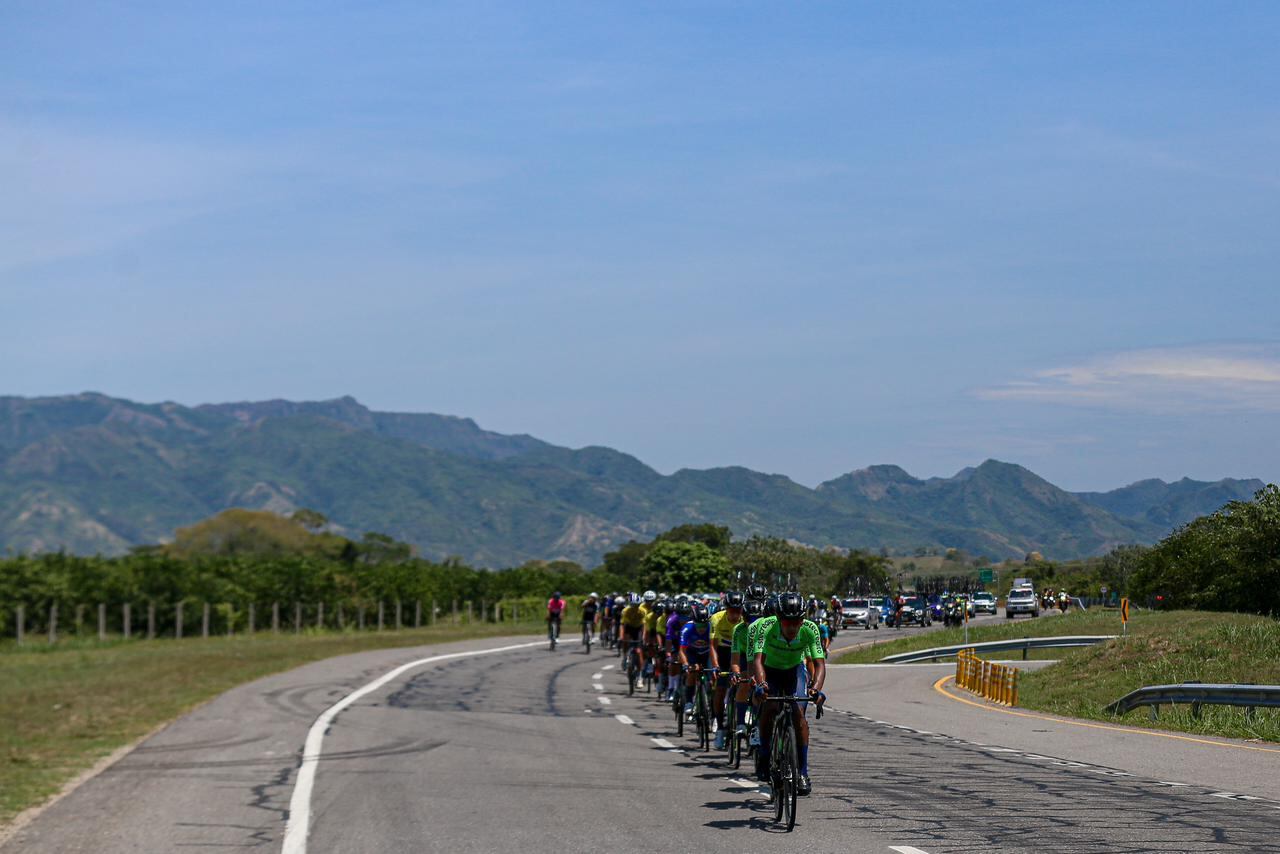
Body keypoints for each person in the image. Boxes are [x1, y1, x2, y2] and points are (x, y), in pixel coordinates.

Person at [753, 592, 826, 796]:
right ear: (779, 619)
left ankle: (802, 772)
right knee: (769, 707)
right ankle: (765, 753)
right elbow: (758, 660)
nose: (792, 627)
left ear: (803, 620)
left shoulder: (811, 630)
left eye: (797, 622)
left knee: (799, 716)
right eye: (787, 622)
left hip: (794, 672)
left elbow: (819, 664)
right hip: (771, 671)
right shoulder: (767, 629)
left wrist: (816, 689)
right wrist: (762, 684)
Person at [709, 591, 745, 748]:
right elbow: (713, 646)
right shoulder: (716, 618)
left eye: (738, 611)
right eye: (732, 610)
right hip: (723, 654)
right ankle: (719, 727)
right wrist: (716, 666)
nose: (735, 615)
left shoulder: (745, 619)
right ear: (726, 609)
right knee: (720, 690)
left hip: (741, 653)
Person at [678, 602, 714, 717]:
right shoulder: (687, 629)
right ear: (694, 622)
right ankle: (689, 702)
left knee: (712, 679)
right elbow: (682, 651)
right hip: (692, 653)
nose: (701, 628)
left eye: (704, 625)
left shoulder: (711, 627)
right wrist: (685, 664)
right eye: (698, 625)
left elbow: (715, 648)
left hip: (707, 653)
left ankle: (710, 701)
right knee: (691, 674)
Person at [664, 598, 693, 701]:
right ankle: (671, 688)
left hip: (689, 644)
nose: (683, 619)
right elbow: (668, 640)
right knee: (673, 663)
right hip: (676, 643)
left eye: (685, 616)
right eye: (681, 616)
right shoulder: (671, 621)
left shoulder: (693, 620)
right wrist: (668, 653)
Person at [618, 593, 648, 673]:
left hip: (638, 628)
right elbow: (622, 625)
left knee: (639, 651)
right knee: (625, 642)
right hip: (629, 627)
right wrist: (621, 637)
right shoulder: (625, 611)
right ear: (629, 604)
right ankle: (625, 657)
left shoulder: (643, 611)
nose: (635, 608)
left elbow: (644, 625)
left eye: (637, 605)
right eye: (633, 605)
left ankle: (640, 675)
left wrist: (644, 637)